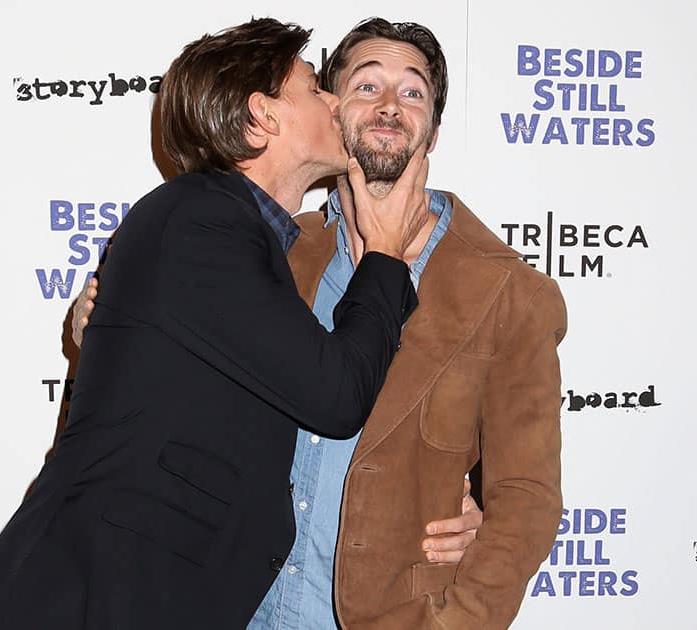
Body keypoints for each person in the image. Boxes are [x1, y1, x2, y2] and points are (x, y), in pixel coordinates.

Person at [73, 17, 567, 630]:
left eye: (413, 91)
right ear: (333, 112)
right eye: (366, 86)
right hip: (226, 608)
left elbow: (527, 500)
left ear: (433, 129)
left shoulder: (507, 291)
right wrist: (100, 311)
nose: (389, 105)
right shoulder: (267, 251)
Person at [0, 18, 432, 630]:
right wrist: (386, 256)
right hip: (97, 600)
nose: (336, 103)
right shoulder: (202, 222)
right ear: (263, 116)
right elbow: (336, 395)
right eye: (315, 88)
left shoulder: (230, 232)